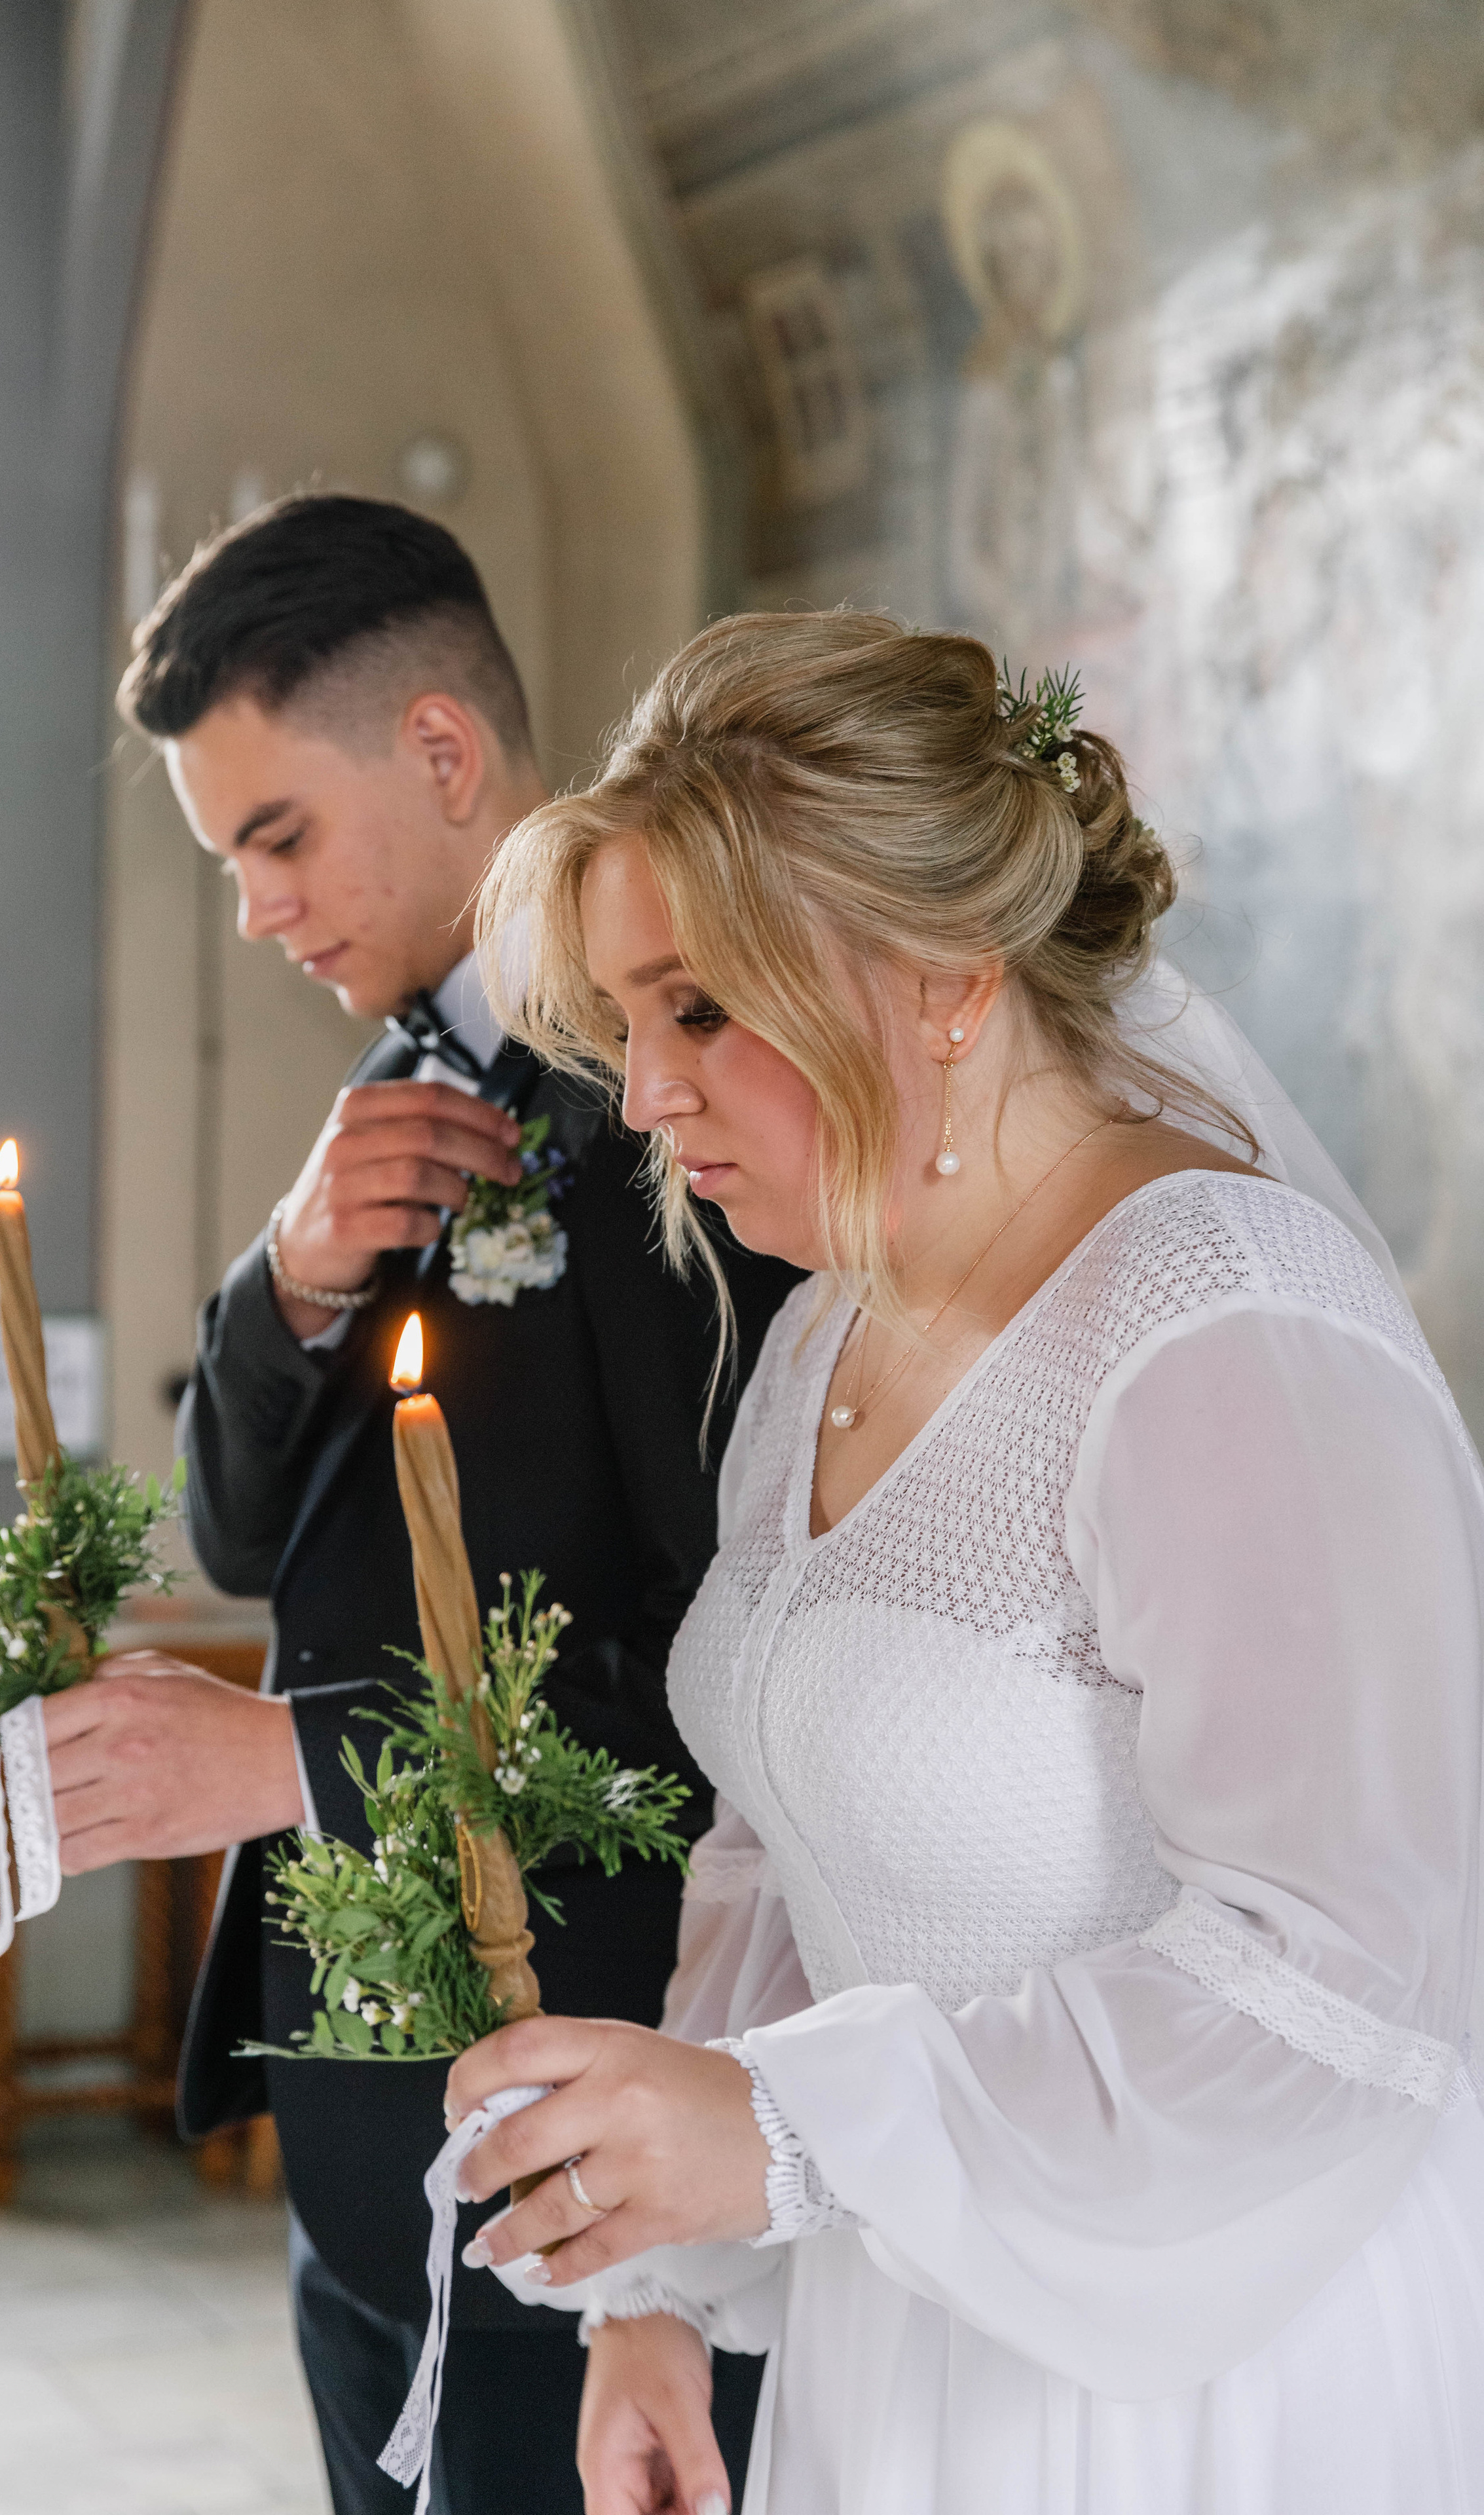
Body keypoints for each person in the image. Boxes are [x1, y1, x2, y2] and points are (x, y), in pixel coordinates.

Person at [441, 611, 1484, 2514]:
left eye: (699, 1009)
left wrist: (785, 2133)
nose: (646, 1098)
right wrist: (659, 2290)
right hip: (911, 2314)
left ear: (939, 978)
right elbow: (785, 1845)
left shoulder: (1223, 1334)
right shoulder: (835, 1327)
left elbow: (1348, 1978)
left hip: (1212, 2372)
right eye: (626, 1024)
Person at [45, 496, 792, 2513]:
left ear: (446, 755)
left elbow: (739, 1668)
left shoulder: (680, 1110)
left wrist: (301, 1764)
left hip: (577, 2107)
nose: (255, 913)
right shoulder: (390, 1090)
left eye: (275, 839)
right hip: (363, 2128)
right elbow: (229, 1534)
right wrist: (285, 1277)